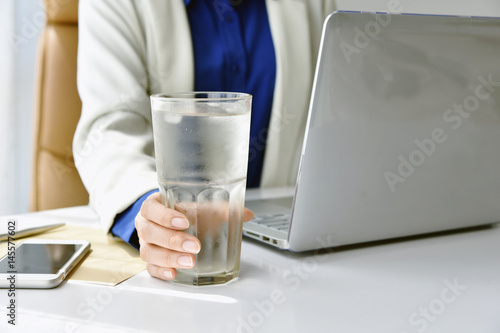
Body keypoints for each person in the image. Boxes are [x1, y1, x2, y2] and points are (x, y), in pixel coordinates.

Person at [74, 0, 337, 281]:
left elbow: (333, 116)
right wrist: (151, 212)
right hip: (175, 261)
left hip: (286, 252)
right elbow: (109, 132)